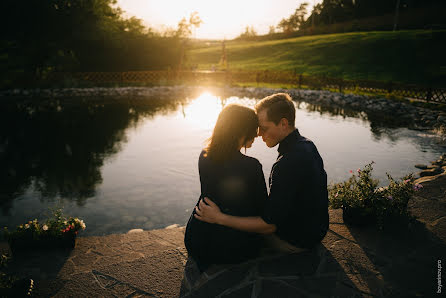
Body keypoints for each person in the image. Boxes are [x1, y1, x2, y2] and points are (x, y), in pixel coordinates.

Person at [194, 93, 329, 251]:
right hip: (317, 230)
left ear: (283, 123)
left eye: (263, 128)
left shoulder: (286, 163)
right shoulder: (307, 145)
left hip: (297, 240)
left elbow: (268, 225)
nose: (257, 134)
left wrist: (219, 218)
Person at [184, 104, 268, 272]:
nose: (257, 134)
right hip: (232, 247)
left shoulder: (204, 155)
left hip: (197, 240)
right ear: (242, 132)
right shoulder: (252, 166)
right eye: (254, 130)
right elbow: (264, 213)